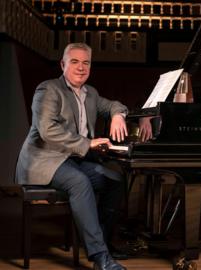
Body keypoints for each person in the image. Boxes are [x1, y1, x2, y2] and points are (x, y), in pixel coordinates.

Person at [16, 43, 129, 270]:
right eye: (74, 62)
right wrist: (88, 143)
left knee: (115, 180)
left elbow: (115, 105)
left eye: (85, 62)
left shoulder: (91, 93)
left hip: (72, 160)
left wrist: (118, 114)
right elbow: (47, 130)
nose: (81, 68)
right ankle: (101, 258)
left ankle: (103, 243)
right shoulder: (47, 89)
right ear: (63, 64)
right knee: (80, 182)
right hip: (44, 160)